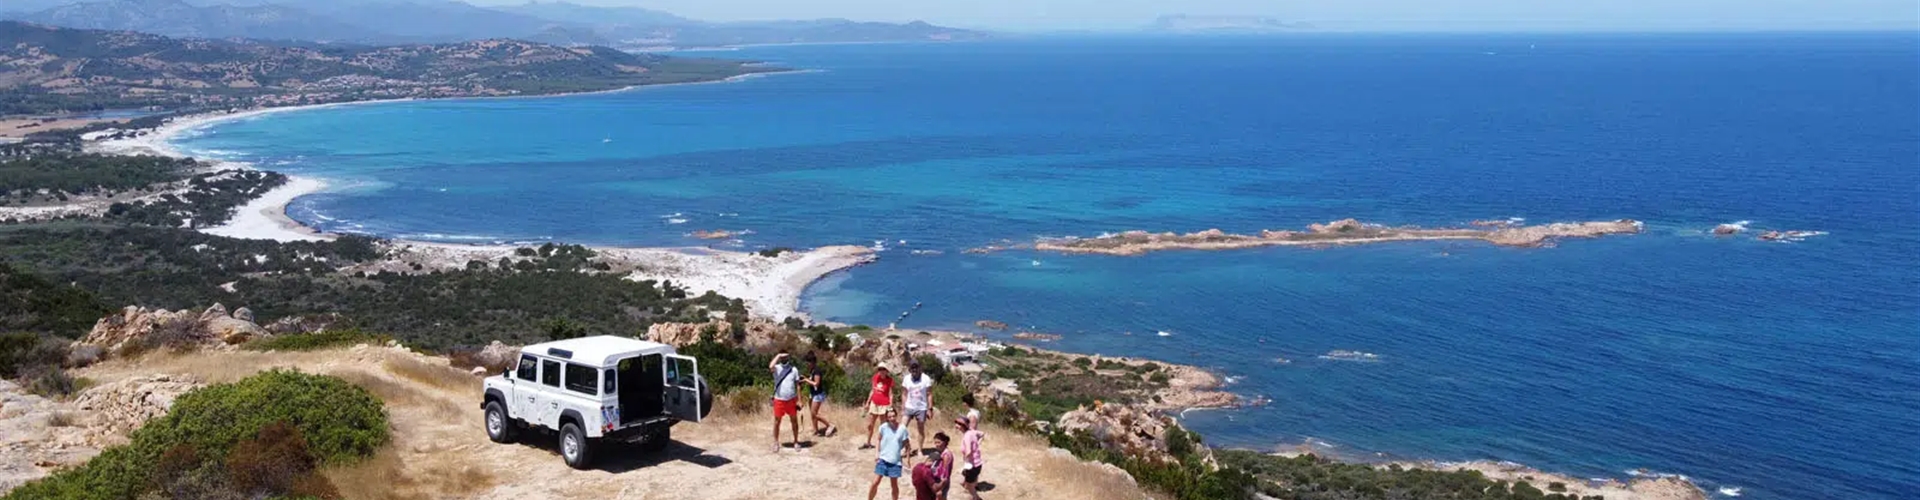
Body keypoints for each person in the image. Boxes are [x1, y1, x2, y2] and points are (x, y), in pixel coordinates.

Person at [868, 407, 913, 500]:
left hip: (895, 461)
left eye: (893, 416)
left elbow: (907, 444)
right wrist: (877, 453)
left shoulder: (902, 429)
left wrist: (908, 459)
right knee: (875, 482)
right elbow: (879, 440)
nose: (892, 418)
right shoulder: (883, 427)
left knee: (894, 485)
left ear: (896, 416)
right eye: (889, 417)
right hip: (883, 459)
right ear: (886, 418)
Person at [769, 351, 802, 453]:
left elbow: (798, 385)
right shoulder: (777, 368)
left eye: (785, 356)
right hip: (779, 399)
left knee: (794, 421)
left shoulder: (794, 370)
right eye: (782, 357)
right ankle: (776, 442)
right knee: (777, 422)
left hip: (791, 400)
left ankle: (796, 442)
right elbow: (770, 366)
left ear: (788, 357)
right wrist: (778, 355)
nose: (784, 359)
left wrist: (799, 400)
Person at [901, 359, 936, 451]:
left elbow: (929, 394)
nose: (914, 369)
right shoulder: (906, 378)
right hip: (909, 406)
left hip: (921, 408)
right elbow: (904, 393)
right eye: (912, 367)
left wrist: (930, 408)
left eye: (916, 367)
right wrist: (903, 407)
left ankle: (920, 450)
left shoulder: (926, 379)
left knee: (920, 430)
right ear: (909, 369)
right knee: (902, 428)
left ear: (920, 368)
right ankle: (906, 446)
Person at [910, 432, 955, 500]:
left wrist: (940, 488)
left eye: (939, 442)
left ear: (944, 442)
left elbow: (945, 473)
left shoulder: (946, 455)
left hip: (941, 482)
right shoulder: (939, 452)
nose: (936, 445)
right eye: (935, 443)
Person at [802, 353, 836, 437]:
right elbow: (811, 380)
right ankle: (815, 430)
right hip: (813, 394)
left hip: (818, 394)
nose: (806, 364)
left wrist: (806, 380)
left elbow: (816, 383)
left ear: (812, 362)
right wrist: (804, 379)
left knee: (815, 414)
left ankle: (830, 425)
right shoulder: (812, 370)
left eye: (808, 362)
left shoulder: (817, 370)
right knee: (812, 413)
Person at [862, 365, 895, 449]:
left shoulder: (889, 380)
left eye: (883, 369)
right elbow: (873, 390)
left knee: (883, 425)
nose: (881, 371)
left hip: (884, 404)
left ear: (886, 370)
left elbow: (890, 394)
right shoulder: (875, 377)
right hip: (874, 403)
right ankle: (868, 442)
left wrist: (890, 405)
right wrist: (868, 402)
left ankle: (883, 444)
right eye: (880, 369)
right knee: (870, 424)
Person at [956, 417, 986, 500]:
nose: (956, 426)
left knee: (968, 485)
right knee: (966, 483)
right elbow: (982, 433)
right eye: (956, 423)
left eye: (959, 424)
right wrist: (977, 444)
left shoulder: (967, 436)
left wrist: (964, 466)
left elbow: (968, 452)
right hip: (977, 464)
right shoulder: (972, 432)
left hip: (972, 465)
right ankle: (975, 496)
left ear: (964, 425)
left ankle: (976, 498)